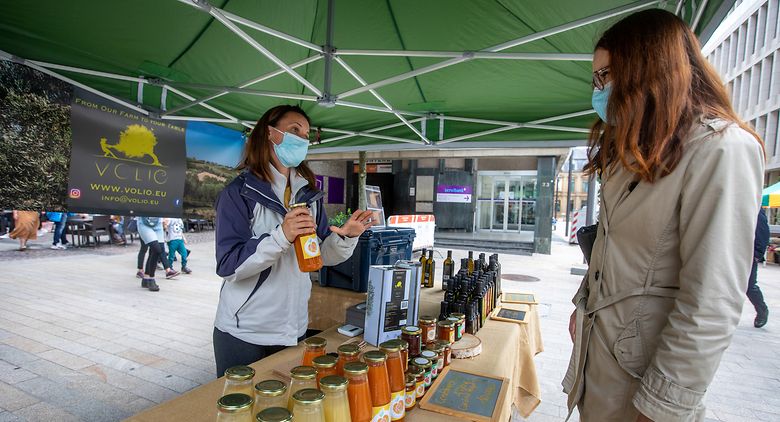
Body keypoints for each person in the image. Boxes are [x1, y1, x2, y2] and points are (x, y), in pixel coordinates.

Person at [562, 10, 765, 422]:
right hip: (601, 368)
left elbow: (712, 301)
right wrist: (583, 303)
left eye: (606, 75)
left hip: (644, 388)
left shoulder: (721, 149)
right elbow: (613, 249)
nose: (599, 90)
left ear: (647, 69)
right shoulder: (634, 154)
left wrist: (662, 407)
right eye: (596, 79)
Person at [212, 105, 373, 377]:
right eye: (294, 130)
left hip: (293, 328)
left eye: (307, 134)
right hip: (244, 332)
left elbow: (318, 255)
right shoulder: (239, 193)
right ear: (270, 134)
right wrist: (282, 236)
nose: (302, 140)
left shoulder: (309, 195)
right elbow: (229, 266)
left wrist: (347, 237)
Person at [136, 216, 180, 291]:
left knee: (157, 250)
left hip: (158, 223)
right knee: (156, 249)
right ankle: (151, 279)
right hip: (144, 222)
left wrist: (165, 217)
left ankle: (146, 278)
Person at [748, 208, 770, 328]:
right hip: (732, 252)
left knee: (749, 286)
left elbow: (763, 232)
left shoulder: (755, 207)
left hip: (749, 254)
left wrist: (757, 254)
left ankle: (762, 311)